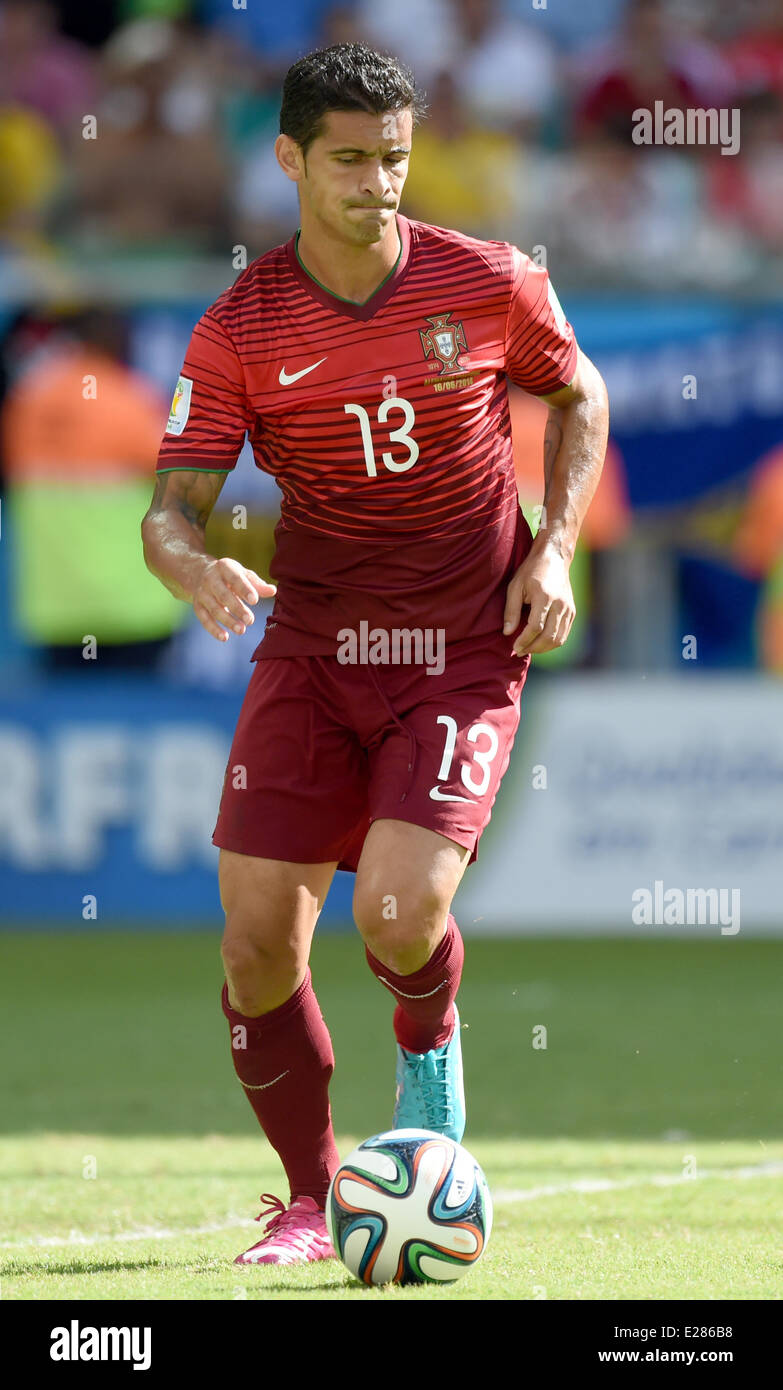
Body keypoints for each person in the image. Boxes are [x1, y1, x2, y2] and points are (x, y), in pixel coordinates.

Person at [141, 42, 609, 1267]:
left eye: (395, 158)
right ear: (290, 158)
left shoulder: (489, 278)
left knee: (399, 915)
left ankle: (430, 1047)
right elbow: (169, 506)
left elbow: (579, 396)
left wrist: (551, 547)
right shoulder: (242, 325)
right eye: (350, 160)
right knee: (253, 940)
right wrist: (190, 566)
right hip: (314, 639)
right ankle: (306, 1199)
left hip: (460, 641)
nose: (379, 183)